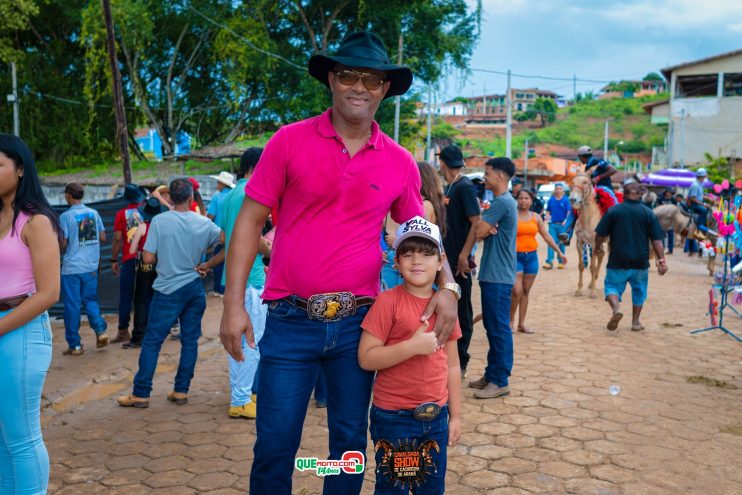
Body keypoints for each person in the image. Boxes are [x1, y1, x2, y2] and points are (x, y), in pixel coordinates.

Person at [219, 32, 460, 495]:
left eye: (371, 79)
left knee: (347, 446)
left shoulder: (398, 162)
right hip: (291, 319)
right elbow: (249, 223)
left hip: (358, 324)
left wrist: (448, 287)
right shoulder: (289, 142)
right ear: (331, 79)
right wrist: (234, 306)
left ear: (385, 89)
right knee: (275, 443)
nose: (359, 87)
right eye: (348, 75)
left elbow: (420, 234)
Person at [358, 216, 462, 494]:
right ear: (396, 262)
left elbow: (452, 365)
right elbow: (367, 358)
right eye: (408, 253)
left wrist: (456, 416)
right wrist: (411, 347)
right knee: (394, 488)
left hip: (437, 416)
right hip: (394, 418)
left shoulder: (446, 307)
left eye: (427, 254)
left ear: (440, 262)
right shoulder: (387, 301)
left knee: (431, 488)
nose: (417, 260)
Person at [117, 178, 223, 408]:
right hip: (194, 287)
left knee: (153, 341)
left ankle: (141, 393)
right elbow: (224, 239)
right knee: (190, 341)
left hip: (167, 289)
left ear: (171, 199)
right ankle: (181, 390)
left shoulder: (160, 222)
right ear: (192, 198)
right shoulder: (204, 223)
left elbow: (147, 257)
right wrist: (209, 262)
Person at [0, 134, 61, 494]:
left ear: (20, 169)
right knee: (5, 439)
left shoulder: (36, 221)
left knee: (22, 436)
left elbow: (49, 292)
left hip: (22, 331)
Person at [206, 148, 270, 419]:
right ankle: (241, 399)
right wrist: (271, 250)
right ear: (258, 165)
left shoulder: (229, 195)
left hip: (233, 279)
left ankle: (241, 395)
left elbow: (225, 237)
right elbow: (252, 238)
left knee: (239, 342)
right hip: (253, 277)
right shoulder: (253, 194)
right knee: (252, 342)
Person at [470, 157, 518, 399]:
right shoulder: (502, 203)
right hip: (494, 274)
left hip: (498, 276)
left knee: (498, 329)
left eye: (487, 173)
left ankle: (500, 380)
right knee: (492, 326)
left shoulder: (501, 203)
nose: (485, 177)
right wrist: (487, 226)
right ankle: (492, 373)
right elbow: (482, 229)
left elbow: (477, 231)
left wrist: (484, 227)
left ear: (499, 176)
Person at [594, 177, 668, 332]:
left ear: (624, 194)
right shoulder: (648, 213)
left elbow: (600, 234)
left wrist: (597, 247)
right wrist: (662, 260)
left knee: (612, 287)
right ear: (639, 195)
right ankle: (635, 322)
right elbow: (657, 239)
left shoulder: (613, 211)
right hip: (640, 262)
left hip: (617, 260)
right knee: (639, 291)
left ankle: (616, 309)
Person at [439, 144, 479, 379]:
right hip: (447, 259)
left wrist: (465, 255)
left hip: (458, 263)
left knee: (462, 312)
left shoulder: (464, 187)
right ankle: (449, 358)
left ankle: (462, 362)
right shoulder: (451, 187)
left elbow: (476, 222)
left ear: (442, 163)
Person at [59, 182, 108, 355]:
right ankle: (100, 331)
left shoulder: (65, 217)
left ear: (68, 196)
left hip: (72, 268)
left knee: (72, 305)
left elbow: (63, 244)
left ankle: (75, 346)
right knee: (91, 300)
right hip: (91, 266)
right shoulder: (94, 213)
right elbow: (103, 237)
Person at [511, 188, 567, 334]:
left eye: (526, 198)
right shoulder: (512, 216)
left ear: (531, 200)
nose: (523, 201)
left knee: (525, 292)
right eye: (521, 198)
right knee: (516, 291)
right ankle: (510, 321)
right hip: (515, 257)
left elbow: (547, 236)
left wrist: (559, 252)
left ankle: (521, 324)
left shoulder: (536, 217)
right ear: (517, 200)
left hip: (531, 258)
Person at [121, 197, 168, 349]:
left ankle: (139, 336)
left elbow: (132, 250)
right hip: (161, 266)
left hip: (145, 266)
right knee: (158, 299)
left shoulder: (143, 226)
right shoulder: (164, 226)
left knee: (141, 301)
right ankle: (158, 333)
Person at [111, 183, 147, 343]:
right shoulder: (148, 212)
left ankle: (123, 330)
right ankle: (145, 329)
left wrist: (113, 259)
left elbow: (118, 238)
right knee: (145, 295)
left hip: (129, 258)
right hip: (148, 259)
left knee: (126, 295)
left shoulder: (121, 214)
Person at [207, 171, 236, 296]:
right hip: (234, 234)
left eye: (218, 182)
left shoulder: (217, 197)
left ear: (223, 184)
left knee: (218, 261)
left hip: (220, 234)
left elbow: (210, 216)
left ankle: (218, 289)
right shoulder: (234, 196)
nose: (217, 184)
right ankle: (228, 289)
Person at [544, 182, 570, 269]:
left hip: (562, 226)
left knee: (562, 243)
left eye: (560, 188)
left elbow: (569, 212)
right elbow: (548, 211)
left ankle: (561, 262)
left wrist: (566, 220)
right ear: (555, 190)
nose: (558, 190)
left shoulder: (566, 200)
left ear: (563, 190)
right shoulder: (551, 200)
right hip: (552, 225)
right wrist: (547, 216)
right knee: (551, 243)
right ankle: (549, 262)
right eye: (557, 188)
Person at [688, 168, 711, 240]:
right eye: (704, 177)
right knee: (704, 210)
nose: (705, 178)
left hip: (698, 203)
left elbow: (700, 195)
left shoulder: (700, 184)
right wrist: (704, 204)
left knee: (708, 209)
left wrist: (709, 198)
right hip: (694, 205)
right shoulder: (695, 185)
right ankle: (699, 230)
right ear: (701, 177)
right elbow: (693, 198)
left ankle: (703, 227)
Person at [657, 188, 677, 254]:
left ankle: (670, 250)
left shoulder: (673, 200)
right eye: (668, 192)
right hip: (662, 219)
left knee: (671, 235)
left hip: (670, 220)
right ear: (665, 192)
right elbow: (658, 207)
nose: (669, 194)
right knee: (662, 235)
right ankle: (662, 248)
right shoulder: (661, 199)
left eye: (670, 193)